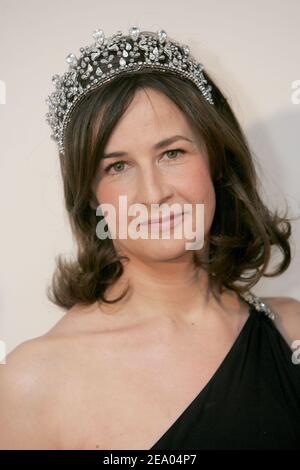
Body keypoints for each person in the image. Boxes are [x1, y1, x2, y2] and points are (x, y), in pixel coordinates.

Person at [0, 26, 299, 450]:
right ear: (91, 196)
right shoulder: (29, 384)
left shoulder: (291, 331)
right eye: (117, 166)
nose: (154, 194)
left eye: (171, 153)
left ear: (214, 157)